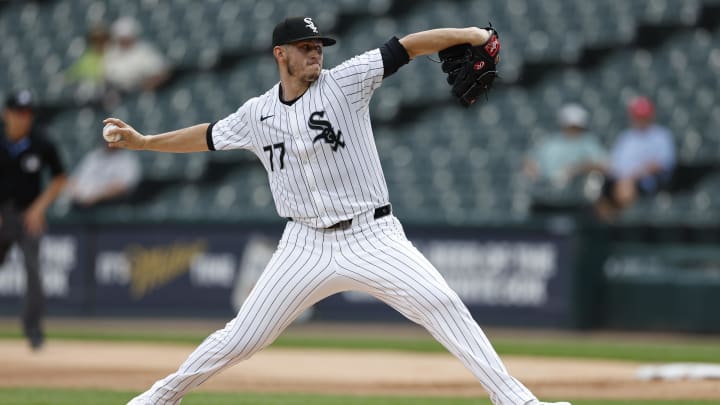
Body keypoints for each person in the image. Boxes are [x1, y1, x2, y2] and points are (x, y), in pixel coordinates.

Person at [105, 17, 570, 405]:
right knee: (242, 337)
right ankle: (158, 398)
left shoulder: (346, 81)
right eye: (305, 47)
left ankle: (518, 402)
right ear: (279, 54)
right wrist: (145, 142)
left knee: (441, 303)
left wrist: (470, 34)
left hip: (372, 235)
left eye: (319, 46)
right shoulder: (256, 113)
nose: (316, 53)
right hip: (303, 244)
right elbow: (207, 135)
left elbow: (406, 46)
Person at [0, 90, 67, 350]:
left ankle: (33, 329)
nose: (23, 118)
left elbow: (60, 177)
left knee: (34, 271)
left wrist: (39, 209)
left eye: (27, 113)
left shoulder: (42, 142)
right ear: (7, 114)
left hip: (29, 215)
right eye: (18, 112)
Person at [595, 96, 675, 221]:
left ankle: (626, 225)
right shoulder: (626, 137)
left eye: (643, 116)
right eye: (637, 115)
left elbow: (662, 163)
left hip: (646, 181)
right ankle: (607, 227)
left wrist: (631, 177)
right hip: (620, 179)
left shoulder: (661, 136)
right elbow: (614, 163)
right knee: (598, 186)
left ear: (650, 116)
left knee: (626, 188)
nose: (640, 119)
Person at [524, 103, 607, 187]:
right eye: (570, 126)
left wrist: (576, 169)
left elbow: (603, 165)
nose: (572, 130)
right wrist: (532, 170)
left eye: (576, 127)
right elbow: (529, 160)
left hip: (578, 188)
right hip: (548, 187)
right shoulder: (551, 141)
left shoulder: (588, 141)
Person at [103, 16, 170, 93]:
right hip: (119, 93)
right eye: (121, 37)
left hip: (144, 92)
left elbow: (162, 73)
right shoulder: (110, 53)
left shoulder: (145, 51)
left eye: (126, 36)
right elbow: (107, 77)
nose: (124, 40)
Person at [65, 143, 141, 208]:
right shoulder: (93, 156)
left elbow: (123, 188)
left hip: (110, 203)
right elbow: (74, 181)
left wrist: (96, 197)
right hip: (83, 202)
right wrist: (78, 196)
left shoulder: (127, 159)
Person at [63, 23, 111, 101]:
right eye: (95, 39)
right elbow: (71, 75)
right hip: (90, 95)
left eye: (102, 39)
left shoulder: (114, 54)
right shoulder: (86, 57)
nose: (98, 42)